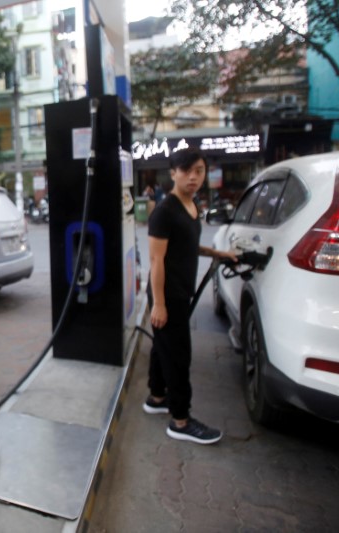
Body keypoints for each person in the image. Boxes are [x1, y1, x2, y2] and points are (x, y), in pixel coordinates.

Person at [142, 148, 237, 445]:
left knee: (162, 347)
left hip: (181, 290)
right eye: (187, 171)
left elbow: (186, 245)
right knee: (179, 355)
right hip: (167, 293)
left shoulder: (192, 205)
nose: (194, 176)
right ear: (173, 173)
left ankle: (157, 398)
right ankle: (180, 421)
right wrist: (159, 304)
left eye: (199, 170)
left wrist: (216, 252)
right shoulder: (164, 211)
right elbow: (157, 260)